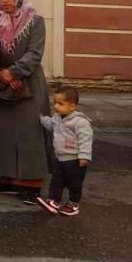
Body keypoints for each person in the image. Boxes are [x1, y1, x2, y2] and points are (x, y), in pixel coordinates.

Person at [0, 0, 50, 202]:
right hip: (0, 83)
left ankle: (32, 184)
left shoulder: (35, 21)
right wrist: (1, 72)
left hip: (29, 84)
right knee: (3, 132)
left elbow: (34, 53)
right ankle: (7, 179)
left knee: (30, 133)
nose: (4, 0)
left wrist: (15, 72)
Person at [36, 86, 93, 217]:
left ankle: (73, 205)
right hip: (60, 158)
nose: (56, 106)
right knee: (57, 181)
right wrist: (41, 119)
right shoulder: (57, 118)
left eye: (60, 104)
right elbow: (51, 125)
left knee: (74, 183)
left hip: (75, 160)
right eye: (55, 103)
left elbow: (85, 139)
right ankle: (53, 202)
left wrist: (84, 156)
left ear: (72, 106)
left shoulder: (79, 122)